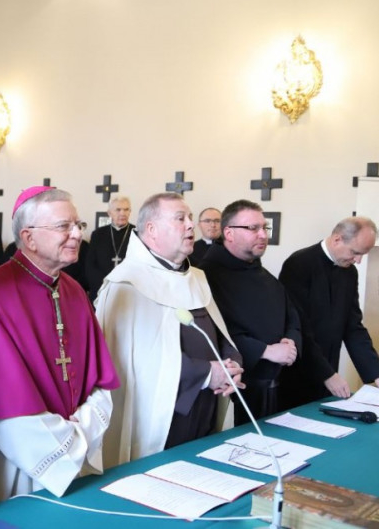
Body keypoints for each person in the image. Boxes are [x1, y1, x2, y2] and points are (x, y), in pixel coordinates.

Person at [0, 186, 119, 505]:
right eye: (64, 226)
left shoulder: (75, 291)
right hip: (18, 461)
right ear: (29, 237)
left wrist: (83, 430)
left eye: (78, 225)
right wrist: (70, 442)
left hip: (79, 451)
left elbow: (100, 383)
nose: (77, 234)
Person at [95, 192, 243, 468]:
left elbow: (217, 331)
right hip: (162, 413)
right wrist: (208, 373)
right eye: (180, 218)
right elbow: (131, 360)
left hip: (207, 402)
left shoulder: (196, 277)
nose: (190, 225)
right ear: (151, 229)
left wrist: (232, 363)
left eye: (190, 217)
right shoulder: (126, 283)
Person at [278, 217, 379, 407]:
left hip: (328, 372)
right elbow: (297, 327)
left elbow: (353, 327)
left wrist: (378, 375)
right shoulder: (299, 264)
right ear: (337, 239)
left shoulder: (349, 272)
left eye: (363, 255)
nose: (358, 261)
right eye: (355, 252)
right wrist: (326, 374)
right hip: (298, 373)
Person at [199, 199, 301, 424]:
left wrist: (291, 342)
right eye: (253, 228)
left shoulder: (264, 275)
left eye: (264, 228)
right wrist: (265, 351)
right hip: (237, 389)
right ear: (229, 233)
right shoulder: (206, 276)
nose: (263, 235)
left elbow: (292, 316)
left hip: (278, 386)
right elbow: (213, 332)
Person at [85, 196, 135, 300]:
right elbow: (90, 265)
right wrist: (105, 285)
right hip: (101, 289)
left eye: (126, 209)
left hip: (129, 290)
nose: (122, 213)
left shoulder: (137, 234)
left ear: (130, 212)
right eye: (118, 210)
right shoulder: (98, 234)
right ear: (109, 213)